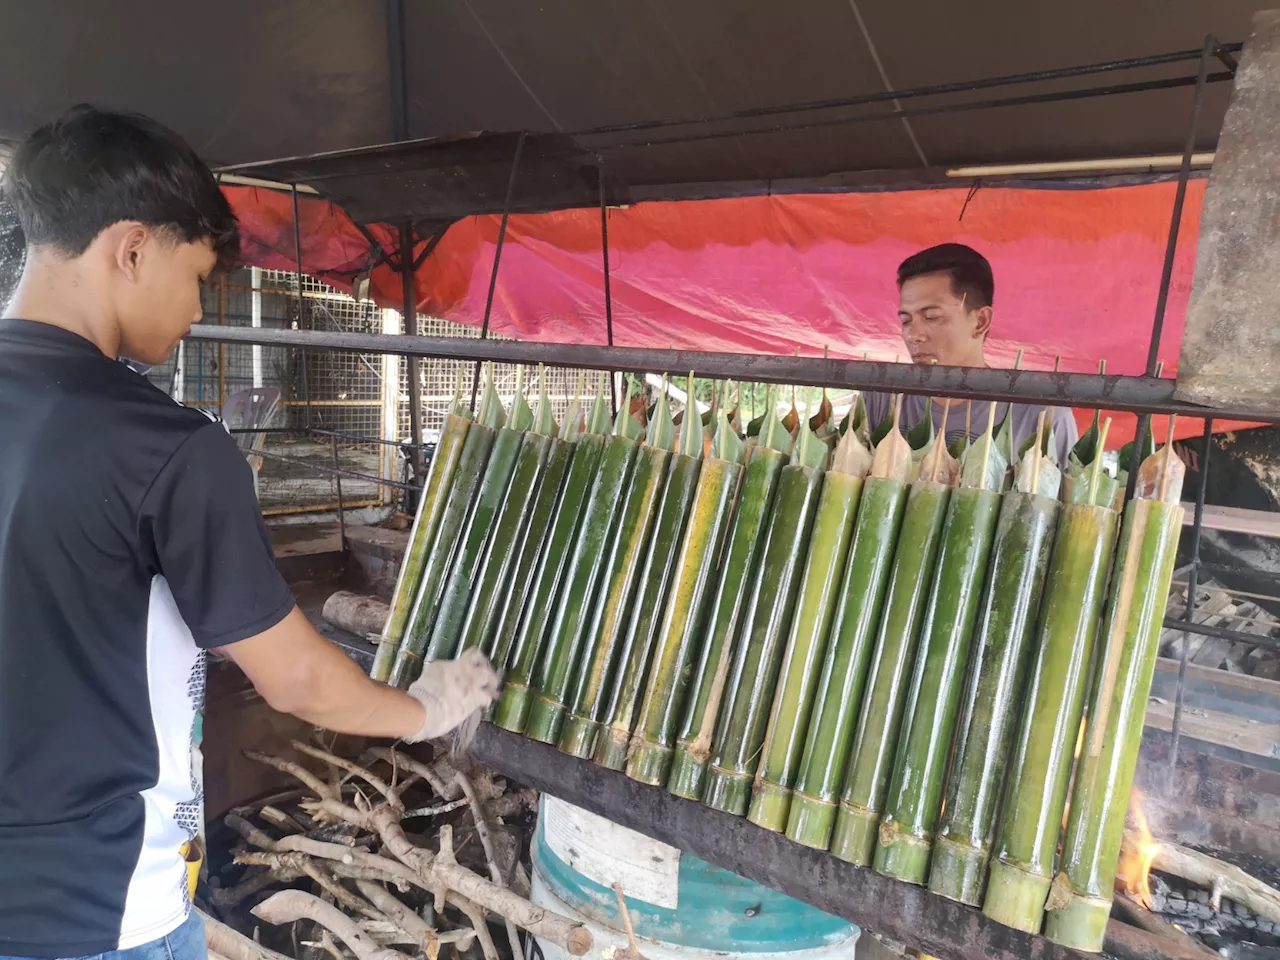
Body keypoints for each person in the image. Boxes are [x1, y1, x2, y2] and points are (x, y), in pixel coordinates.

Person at [0, 106, 499, 960]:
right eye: (196, 275)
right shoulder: (165, 445)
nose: (199, 308)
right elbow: (300, 683)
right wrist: (427, 708)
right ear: (130, 250)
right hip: (96, 907)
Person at [862, 243, 1078, 467]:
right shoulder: (881, 401)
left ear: (980, 322)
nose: (913, 335)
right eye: (906, 321)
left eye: (931, 317)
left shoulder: (1043, 418)